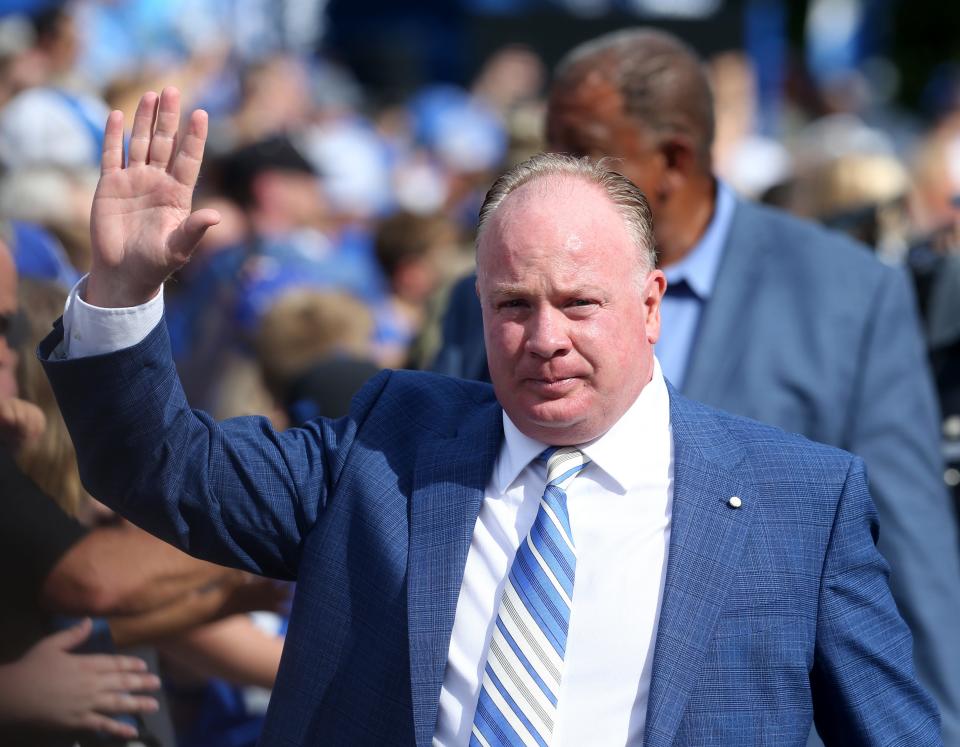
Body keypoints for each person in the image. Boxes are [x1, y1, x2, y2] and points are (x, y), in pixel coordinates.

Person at [40, 88, 940, 745]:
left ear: (652, 302)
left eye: (579, 303)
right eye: (514, 306)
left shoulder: (798, 500)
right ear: (477, 308)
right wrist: (122, 294)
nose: (543, 338)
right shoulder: (389, 446)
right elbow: (165, 470)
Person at [433, 29, 960, 744]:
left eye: (580, 146)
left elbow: (909, 546)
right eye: (544, 145)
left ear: (673, 159)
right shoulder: (496, 294)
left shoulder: (844, 296)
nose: (550, 172)